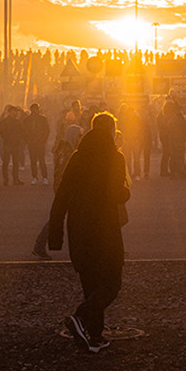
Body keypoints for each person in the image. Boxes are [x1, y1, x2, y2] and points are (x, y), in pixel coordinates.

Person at [47, 112, 131, 353]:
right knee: (112, 282)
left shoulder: (77, 157)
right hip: (105, 229)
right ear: (112, 131)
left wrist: (55, 234)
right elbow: (116, 193)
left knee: (91, 284)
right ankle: (81, 317)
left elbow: (61, 196)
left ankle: (95, 337)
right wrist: (126, 193)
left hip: (79, 229)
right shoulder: (116, 158)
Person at [25, 103, 51, 185]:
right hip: (31, 142)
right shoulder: (27, 120)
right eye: (34, 109)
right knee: (33, 160)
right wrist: (27, 140)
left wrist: (43, 140)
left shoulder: (43, 119)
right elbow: (24, 131)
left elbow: (47, 130)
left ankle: (45, 177)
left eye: (37, 109)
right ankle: (34, 176)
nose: (35, 110)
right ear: (31, 110)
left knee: (41, 160)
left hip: (40, 142)